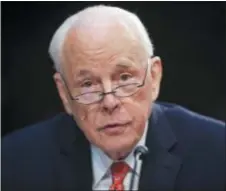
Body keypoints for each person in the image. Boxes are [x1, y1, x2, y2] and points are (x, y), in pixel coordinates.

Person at [2, 5, 225, 191]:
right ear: (64, 93)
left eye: (125, 78)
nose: (110, 102)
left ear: (154, 78)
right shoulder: (13, 162)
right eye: (88, 84)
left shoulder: (218, 154)